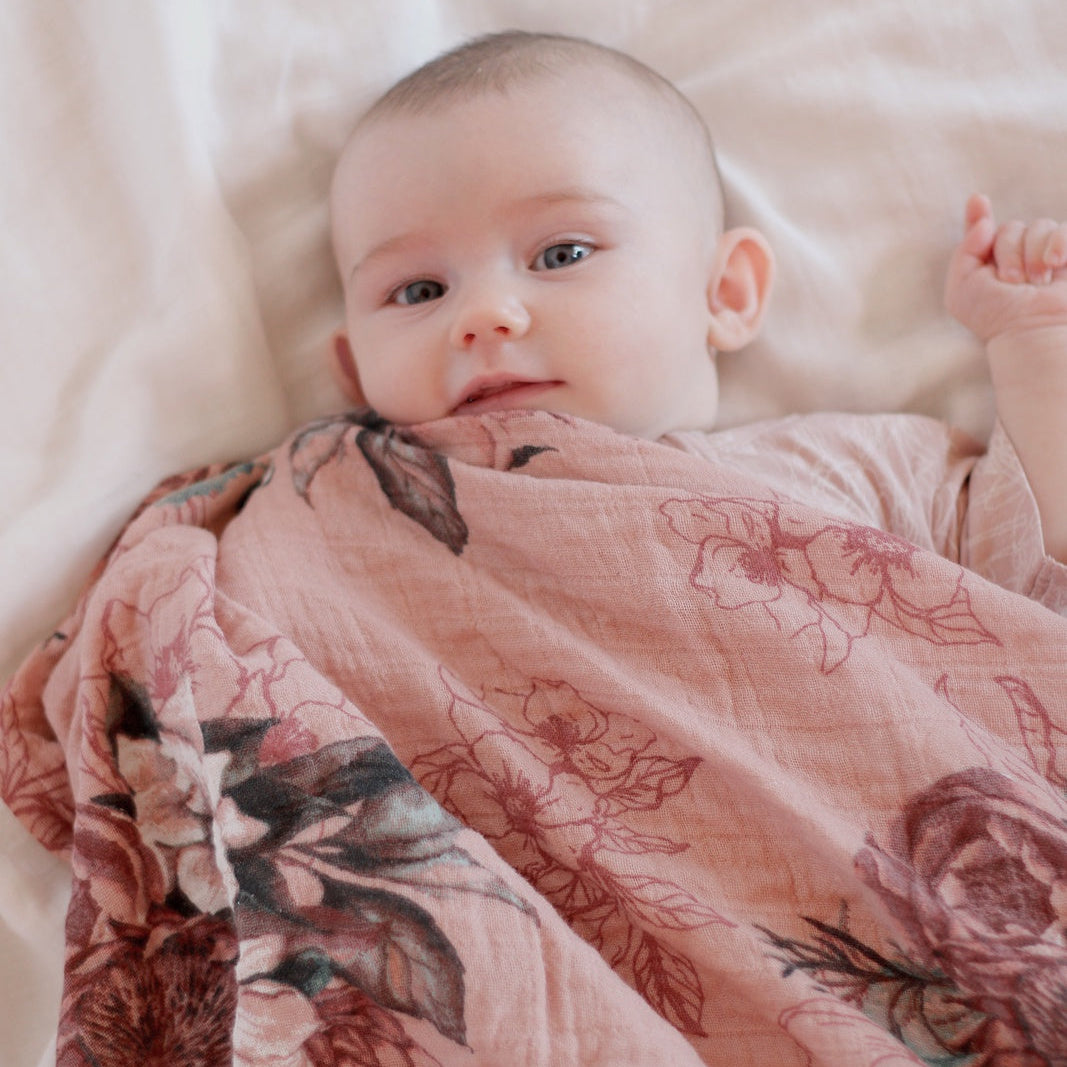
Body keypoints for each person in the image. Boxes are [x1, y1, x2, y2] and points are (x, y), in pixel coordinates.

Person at [328, 29, 1067, 562]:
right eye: (417, 289)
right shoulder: (327, 507)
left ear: (724, 292)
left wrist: (1035, 343)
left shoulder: (838, 470)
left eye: (561, 254)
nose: (484, 314)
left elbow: (1029, 557)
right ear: (353, 369)